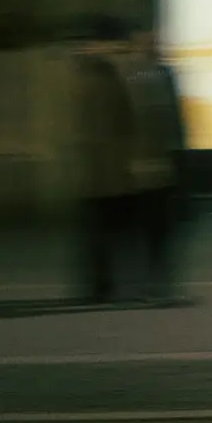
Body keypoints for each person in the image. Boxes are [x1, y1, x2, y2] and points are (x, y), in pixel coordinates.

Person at [72, 16, 137, 305]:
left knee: (106, 232)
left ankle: (104, 286)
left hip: (108, 169)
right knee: (102, 232)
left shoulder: (102, 72)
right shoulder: (92, 74)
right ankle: (100, 288)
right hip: (101, 170)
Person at [124, 27, 192, 306]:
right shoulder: (135, 76)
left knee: (158, 231)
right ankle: (149, 285)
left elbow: (175, 118)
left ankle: (156, 283)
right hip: (144, 165)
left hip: (159, 164)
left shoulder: (160, 74)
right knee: (149, 230)